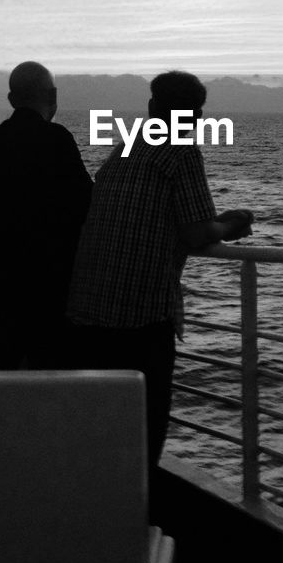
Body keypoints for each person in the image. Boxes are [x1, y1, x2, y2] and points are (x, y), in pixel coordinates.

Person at [67, 70, 253, 466]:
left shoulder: (125, 149)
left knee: (98, 438)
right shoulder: (181, 152)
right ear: (198, 117)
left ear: (152, 108)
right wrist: (233, 224)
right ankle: (135, 518)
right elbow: (198, 231)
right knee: (142, 441)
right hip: (138, 320)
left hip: (85, 314)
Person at [0, 61, 92, 368]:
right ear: (53, 95)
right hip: (48, 287)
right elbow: (85, 201)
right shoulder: (57, 139)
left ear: (11, 100)